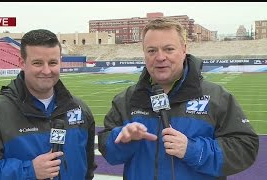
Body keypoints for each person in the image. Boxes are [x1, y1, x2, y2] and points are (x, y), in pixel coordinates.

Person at [98, 17, 259, 180]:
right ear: (144, 54)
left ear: (184, 50)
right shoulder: (126, 100)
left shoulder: (217, 98)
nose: (160, 57)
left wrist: (193, 150)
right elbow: (109, 153)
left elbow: (245, 148)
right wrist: (122, 139)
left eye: (168, 49)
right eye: (152, 50)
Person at [0, 29, 97, 180]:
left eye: (53, 63)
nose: (46, 70)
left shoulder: (80, 110)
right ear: (22, 63)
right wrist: (29, 170)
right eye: (37, 63)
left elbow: (87, 169)